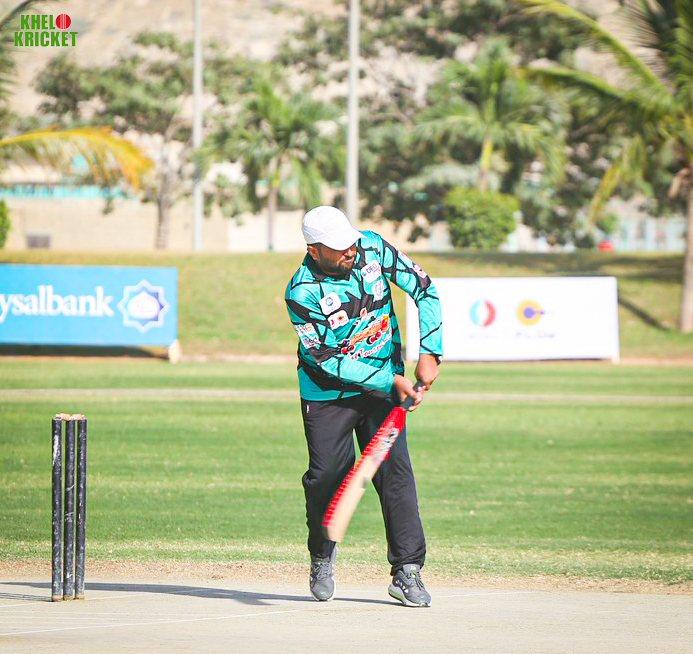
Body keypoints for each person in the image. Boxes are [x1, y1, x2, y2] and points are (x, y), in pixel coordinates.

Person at [284, 205, 443, 607]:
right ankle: (321, 555)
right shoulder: (301, 292)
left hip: (384, 388)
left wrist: (430, 353)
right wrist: (391, 380)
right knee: (327, 476)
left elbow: (424, 288)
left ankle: (407, 570)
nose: (350, 250)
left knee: (395, 473)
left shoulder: (371, 246)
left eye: (350, 241)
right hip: (327, 394)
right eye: (338, 247)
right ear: (314, 250)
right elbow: (326, 359)